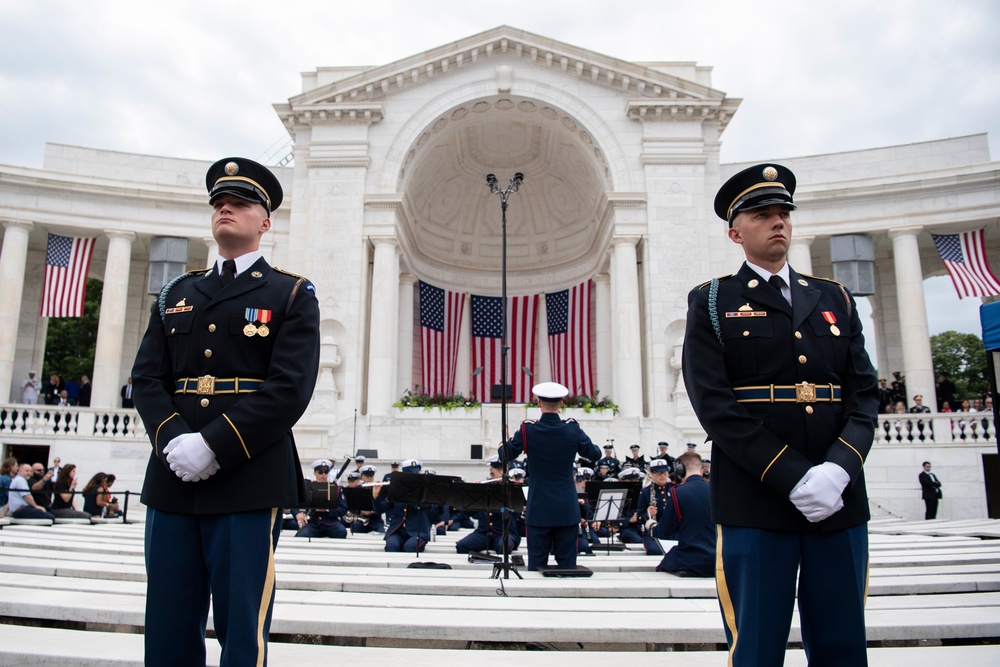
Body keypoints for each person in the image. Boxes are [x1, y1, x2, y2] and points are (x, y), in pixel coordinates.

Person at [683, 163, 878, 666]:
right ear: (735, 231)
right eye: (763, 214)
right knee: (757, 647)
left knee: (842, 645)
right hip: (757, 500)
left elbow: (863, 395)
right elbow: (715, 405)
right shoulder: (711, 301)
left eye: (783, 213)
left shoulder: (834, 297)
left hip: (838, 499)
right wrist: (793, 476)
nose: (778, 222)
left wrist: (838, 469)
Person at [131, 156, 320, 667]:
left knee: (241, 628)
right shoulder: (177, 294)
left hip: (248, 475)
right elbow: (146, 377)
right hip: (172, 473)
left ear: (265, 221)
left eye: (240, 202)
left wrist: (212, 444)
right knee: (167, 624)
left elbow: (290, 389)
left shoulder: (291, 293)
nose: (225, 209)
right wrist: (175, 440)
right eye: (218, 202)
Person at [499, 382, 602, 571]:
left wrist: (505, 440)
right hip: (566, 507)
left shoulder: (527, 430)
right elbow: (595, 454)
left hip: (539, 506)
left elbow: (504, 455)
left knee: (537, 566)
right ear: (561, 404)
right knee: (568, 567)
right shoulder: (572, 429)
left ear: (539, 403)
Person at [645, 451, 714, 577]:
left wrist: (652, 527)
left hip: (690, 559)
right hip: (717, 560)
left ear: (680, 470)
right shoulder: (717, 492)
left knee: (664, 564)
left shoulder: (677, 493)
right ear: (702, 470)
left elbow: (665, 530)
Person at [295, 460, 348, 539]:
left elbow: (343, 508)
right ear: (315, 473)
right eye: (320, 472)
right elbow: (295, 503)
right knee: (303, 535)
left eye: (326, 472)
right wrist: (297, 514)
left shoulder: (335, 488)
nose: (323, 475)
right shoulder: (308, 488)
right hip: (313, 523)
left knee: (341, 532)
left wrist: (327, 510)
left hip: (331, 523)